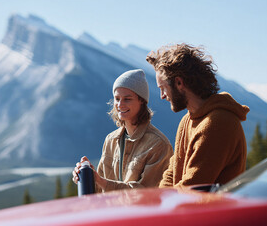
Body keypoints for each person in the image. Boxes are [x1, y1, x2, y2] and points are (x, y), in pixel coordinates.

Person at [146, 43, 250, 188]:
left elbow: (194, 186)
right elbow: (172, 172)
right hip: (186, 207)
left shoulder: (219, 122)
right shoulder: (187, 120)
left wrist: (162, 203)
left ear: (179, 83)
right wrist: (160, 197)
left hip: (214, 210)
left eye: (163, 88)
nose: (162, 96)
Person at [72, 69, 173, 192]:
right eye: (117, 98)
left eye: (127, 99)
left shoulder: (158, 144)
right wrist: (87, 176)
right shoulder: (111, 140)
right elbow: (99, 190)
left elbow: (147, 193)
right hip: (110, 210)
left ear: (142, 101)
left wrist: (101, 181)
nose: (120, 104)